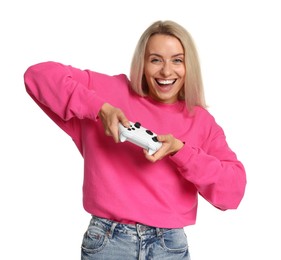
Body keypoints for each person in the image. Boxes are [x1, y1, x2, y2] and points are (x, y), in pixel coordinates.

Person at [24, 20, 246, 260]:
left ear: (188, 66)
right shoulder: (109, 91)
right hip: (108, 242)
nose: (166, 71)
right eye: (156, 59)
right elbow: (37, 75)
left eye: (177, 60)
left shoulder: (201, 121)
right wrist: (99, 108)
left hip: (168, 246)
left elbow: (232, 191)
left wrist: (180, 151)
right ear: (142, 63)